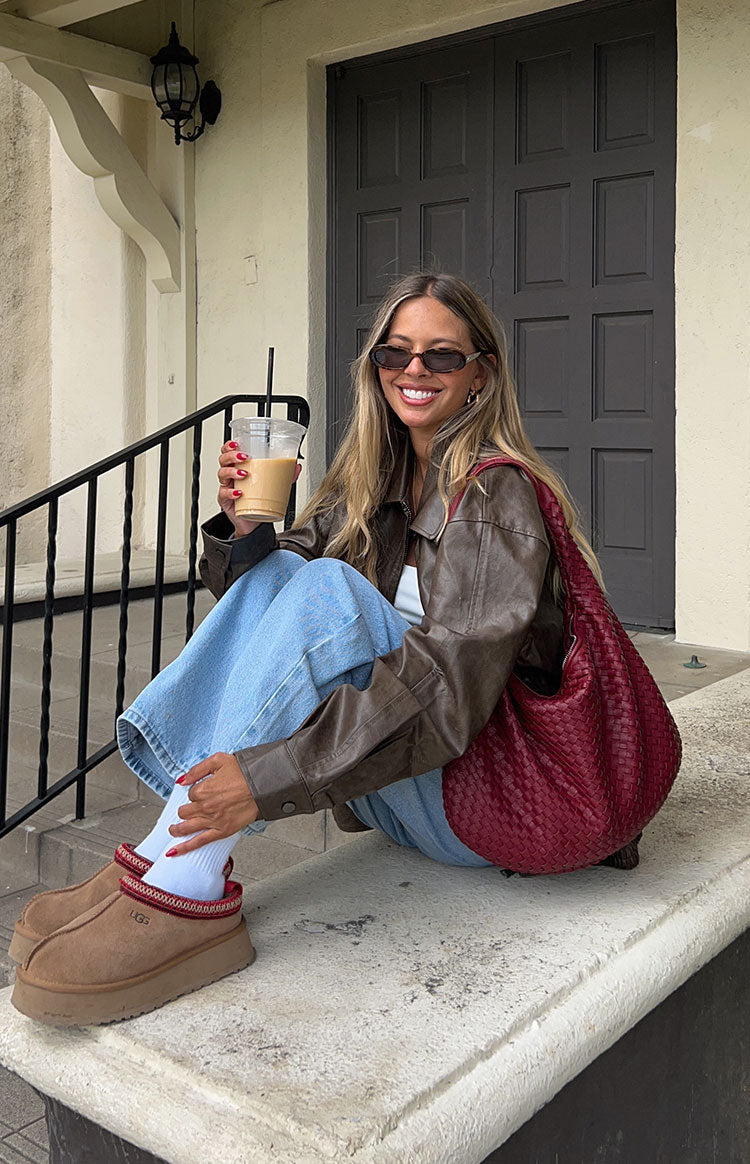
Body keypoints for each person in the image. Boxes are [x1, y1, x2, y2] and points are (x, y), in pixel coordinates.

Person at [10, 273, 601, 1027]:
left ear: (480, 374)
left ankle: (184, 877)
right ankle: (171, 851)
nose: (415, 370)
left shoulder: (494, 497)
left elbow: (449, 694)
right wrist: (244, 530)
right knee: (294, 572)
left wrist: (265, 778)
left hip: (486, 800)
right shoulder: (373, 481)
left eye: (442, 356)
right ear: (375, 367)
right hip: (399, 789)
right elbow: (269, 605)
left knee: (327, 587)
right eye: (395, 352)